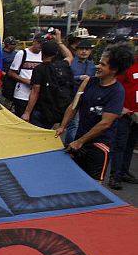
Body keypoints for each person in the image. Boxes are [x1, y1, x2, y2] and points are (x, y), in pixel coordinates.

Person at [55, 44, 133, 184]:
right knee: (72, 180)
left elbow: (105, 123)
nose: (98, 66)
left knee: (94, 186)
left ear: (114, 70)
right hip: (79, 141)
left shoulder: (117, 92)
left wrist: (80, 141)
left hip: (99, 146)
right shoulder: (88, 81)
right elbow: (74, 105)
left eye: (102, 64)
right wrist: (62, 127)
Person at [21, 40, 74, 129]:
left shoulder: (39, 69)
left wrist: (27, 112)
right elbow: (69, 56)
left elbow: (35, 92)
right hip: (61, 109)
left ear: (42, 52)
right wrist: (59, 41)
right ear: (56, 53)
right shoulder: (63, 65)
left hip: (44, 111)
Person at [109, 46, 138, 189]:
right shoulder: (130, 65)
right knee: (120, 144)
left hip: (137, 115)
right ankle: (115, 176)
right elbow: (116, 85)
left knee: (130, 144)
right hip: (124, 113)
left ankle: (124, 171)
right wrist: (120, 107)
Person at [7, 33, 44, 117]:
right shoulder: (22, 53)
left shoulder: (43, 55)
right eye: (39, 42)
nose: (40, 45)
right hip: (22, 94)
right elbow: (11, 72)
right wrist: (27, 81)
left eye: (43, 43)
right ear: (34, 41)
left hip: (37, 95)